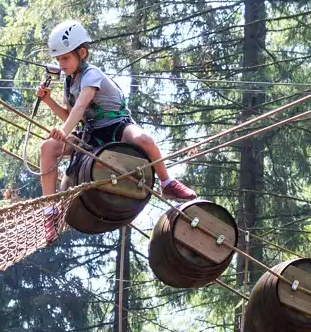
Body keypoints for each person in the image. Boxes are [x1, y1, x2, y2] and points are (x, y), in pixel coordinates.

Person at [35, 19, 194, 234]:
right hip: (90, 134)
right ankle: (50, 210)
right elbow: (70, 114)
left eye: (65, 58)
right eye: (58, 59)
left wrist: (64, 132)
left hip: (117, 127)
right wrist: (48, 101)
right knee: (48, 148)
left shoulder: (92, 74)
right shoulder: (69, 83)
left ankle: (167, 183)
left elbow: (81, 106)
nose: (61, 64)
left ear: (81, 53)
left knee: (143, 140)